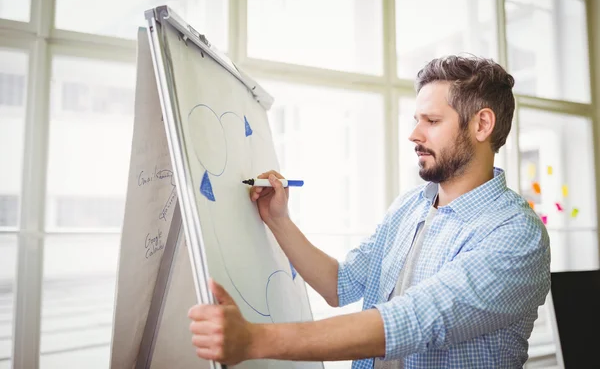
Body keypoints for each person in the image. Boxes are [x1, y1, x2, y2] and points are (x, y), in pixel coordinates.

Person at [187, 55, 551, 368]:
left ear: (482, 125)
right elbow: (340, 285)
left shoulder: (516, 234)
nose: (414, 134)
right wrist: (278, 220)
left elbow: (412, 321)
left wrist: (252, 340)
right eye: (415, 119)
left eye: (432, 121)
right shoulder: (411, 207)